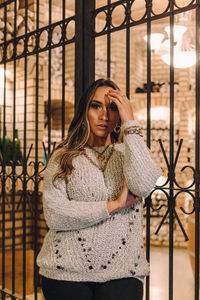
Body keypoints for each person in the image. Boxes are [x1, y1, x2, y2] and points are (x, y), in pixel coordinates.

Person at [37, 78, 162, 300]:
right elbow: (55, 215)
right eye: (96, 106)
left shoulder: (131, 153)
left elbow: (143, 184)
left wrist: (130, 123)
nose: (105, 115)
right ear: (84, 110)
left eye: (113, 108)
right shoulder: (63, 156)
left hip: (123, 273)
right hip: (64, 272)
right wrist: (114, 206)